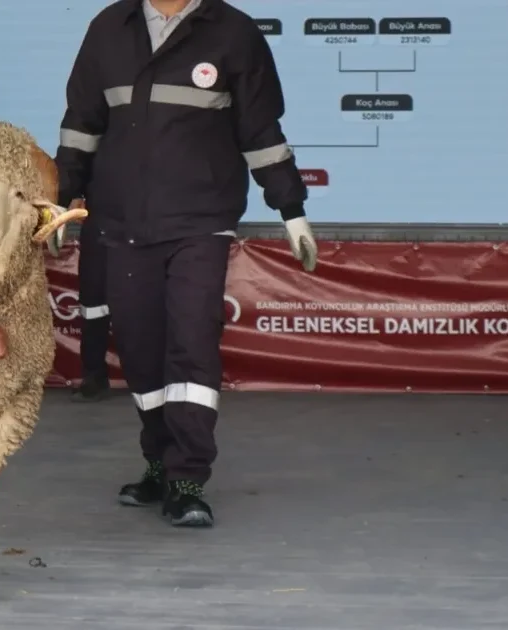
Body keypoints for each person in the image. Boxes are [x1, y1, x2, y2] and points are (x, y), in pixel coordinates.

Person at [54, 0, 319, 527]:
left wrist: (291, 209)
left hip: (201, 221)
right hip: (124, 223)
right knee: (140, 350)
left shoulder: (233, 32)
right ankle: (159, 461)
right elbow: (81, 126)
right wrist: (63, 199)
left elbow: (260, 130)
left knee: (192, 343)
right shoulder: (108, 29)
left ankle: (187, 477)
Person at [71, 212, 112, 402]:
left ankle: (151, 380)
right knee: (92, 308)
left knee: (141, 309)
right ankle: (94, 377)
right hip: (97, 231)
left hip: (139, 231)